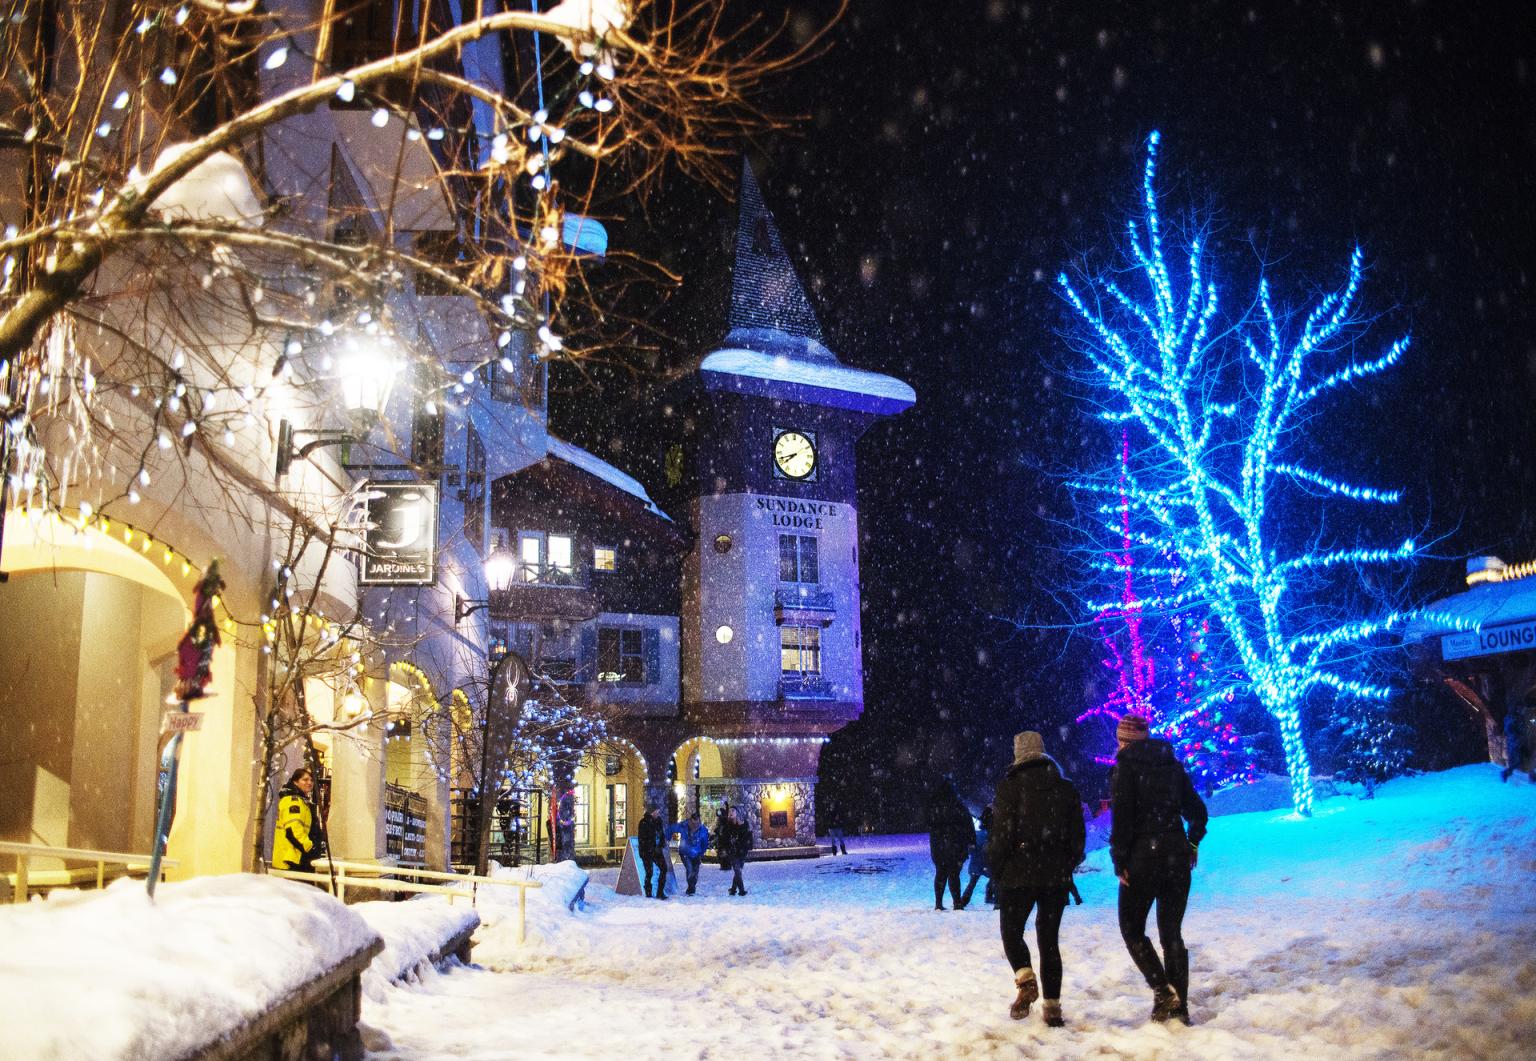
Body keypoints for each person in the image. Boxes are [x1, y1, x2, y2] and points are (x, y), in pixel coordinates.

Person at [1111, 713, 1209, 1025]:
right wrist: (1191, 844)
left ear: (1123, 740)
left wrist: (1120, 860)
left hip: (1142, 860)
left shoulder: (1124, 768)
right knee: (1172, 934)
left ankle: (1162, 989)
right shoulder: (1172, 766)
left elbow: (1123, 820)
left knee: (1132, 928)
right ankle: (1179, 1008)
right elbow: (1198, 812)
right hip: (1176, 858)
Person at [988, 733, 1085, 1027]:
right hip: (1055, 875)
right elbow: (1077, 837)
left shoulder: (1010, 788)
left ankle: (1025, 977)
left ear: (1018, 754)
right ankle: (1053, 1008)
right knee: (1049, 940)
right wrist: (1065, 864)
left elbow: (1002, 835)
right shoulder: (1065, 788)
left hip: (1018, 874)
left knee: (1011, 932)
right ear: (1042, 753)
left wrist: (997, 867)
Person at [927, 777, 975, 911]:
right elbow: (968, 823)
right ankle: (957, 902)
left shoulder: (933, 806)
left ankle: (938, 903)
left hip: (938, 846)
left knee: (940, 873)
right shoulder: (958, 805)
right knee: (954, 874)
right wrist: (971, 841)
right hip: (956, 845)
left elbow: (928, 823)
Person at [272, 766, 324, 873]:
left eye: (311, 780)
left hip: (297, 858)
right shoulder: (293, 801)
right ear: (295, 782)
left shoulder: (302, 801)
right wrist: (311, 848)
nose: (309, 782)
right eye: (305, 779)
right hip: (293, 860)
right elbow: (293, 830)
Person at [957, 804, 994, 910]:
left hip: (976, 864)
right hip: (988, 864)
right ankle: (992, 897)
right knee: (995, 879)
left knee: (972, 882)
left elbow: (971, 849)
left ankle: (964, 899)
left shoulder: (978, 835)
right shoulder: (991, 836)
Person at [672, 811, 711, 895]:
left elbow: (704, 843)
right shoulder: (684, 826)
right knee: (690, 869)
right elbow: (673, 829)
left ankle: (691, 887)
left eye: (696, 823)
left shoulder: (703, 829)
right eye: (693, 823)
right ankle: (691, 888)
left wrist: (702, 852)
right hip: (685, 852)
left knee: (695, 871)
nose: (694, 825)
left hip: (697, 853)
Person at [637, 805, 671, 899]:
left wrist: (662, 843)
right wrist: (649, 847)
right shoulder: (643, 822)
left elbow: (661, 834)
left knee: (664, 868)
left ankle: (660, 892)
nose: (658, 814)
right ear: (652, 812)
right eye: (657, 812)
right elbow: (643, 838)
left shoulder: (658, 821)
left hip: (657, 850)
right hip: (646, 852)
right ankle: (648, 892)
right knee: (649, 872)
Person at [718, 806, 754, 895]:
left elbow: (747, 837)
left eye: (733, 811)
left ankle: (733, 889)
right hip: (732, 851)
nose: (731, 812)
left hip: (742, 851)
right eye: (729, 811)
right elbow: (723, 837)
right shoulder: (727, 825)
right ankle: (741, 890)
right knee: (737, 870)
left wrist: (747, 845)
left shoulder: (744, 824)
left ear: (737, 813)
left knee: (738, 871)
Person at [1501, 709, 1532, 782]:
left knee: (1523, 758)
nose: (1523, 711)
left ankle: (1507, 772)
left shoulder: (1514, 718)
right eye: (1522, 709)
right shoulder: (1513, 719)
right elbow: (1511, 730)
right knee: (1517, 761)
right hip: (1516, 742)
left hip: (1517, 741)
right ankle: (1506, 773)